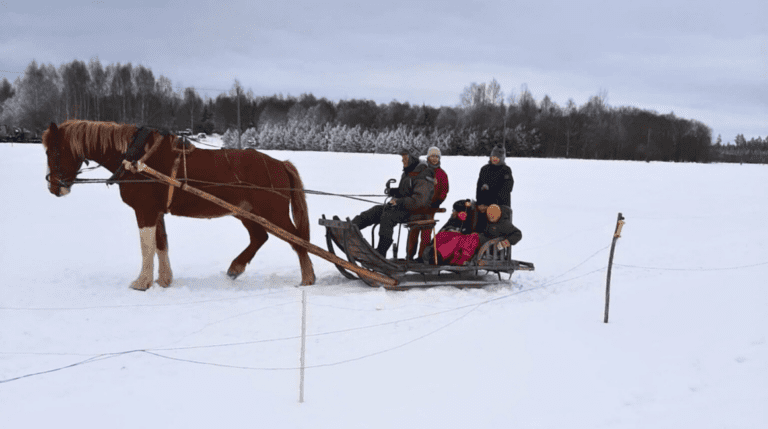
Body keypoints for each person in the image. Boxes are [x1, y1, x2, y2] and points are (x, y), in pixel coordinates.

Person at [351, 149, 436, 257]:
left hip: (417, 212)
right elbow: (405, 191)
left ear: (412, 159)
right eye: (402, 159)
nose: (402, 161)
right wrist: (393, 192)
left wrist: (399, 201)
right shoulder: (408, 172)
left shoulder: (423, 174)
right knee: (377, 210)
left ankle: (381, 251)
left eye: (405, 159)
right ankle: (351, 228)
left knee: (388, 216)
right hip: (405, 207)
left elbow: (419, 201)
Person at [407, 146, 449, 260]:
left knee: (426, 233)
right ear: (428, 157)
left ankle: (421, 257)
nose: (434, 159)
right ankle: (409, 256)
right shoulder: (420, 170)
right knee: (413, 231)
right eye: (432, 156)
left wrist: (438, 201)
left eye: (436, 156)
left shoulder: (442, 174)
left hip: (431, 208)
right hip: (417, 206)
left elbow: (444, 190)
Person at [476, 145, 514, 213]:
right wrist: (480, 203)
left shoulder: (506, 170)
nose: (494, 159)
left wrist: (493, 203)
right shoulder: (484, 169)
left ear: (502, 159)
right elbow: (479, 187)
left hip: (501, 206)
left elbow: (506, 189)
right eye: (493, 157)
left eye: (497, 158)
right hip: (483, 205)